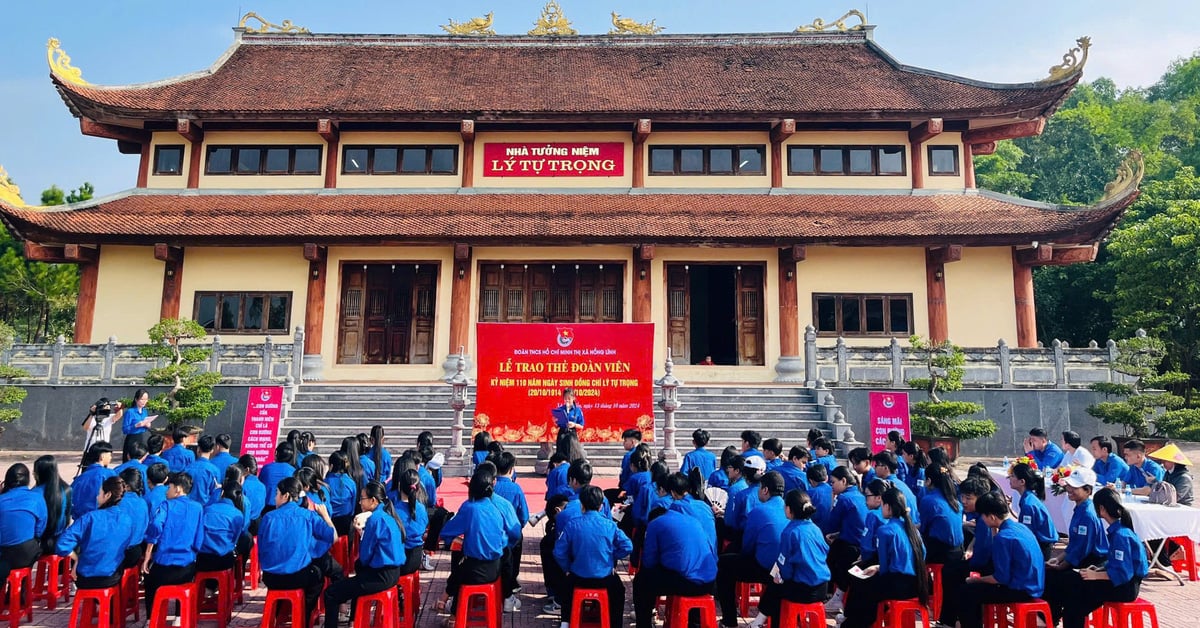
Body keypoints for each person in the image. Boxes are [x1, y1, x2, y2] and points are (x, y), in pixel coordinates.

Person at [1059, 487, 1149, 628]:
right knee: (1073, 588)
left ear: (1101, 508)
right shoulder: (1118, 530)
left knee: (1074, 606)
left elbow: (1123, 573)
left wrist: (1095, 575)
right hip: (1120, 582)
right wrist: (1101, 568)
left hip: (1125, 588)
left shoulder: (1121, 535)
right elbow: (1116, 562)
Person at [841, 487, 929, 628]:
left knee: (861, 585)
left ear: (887, 506)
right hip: (915, 584)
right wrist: (876, 567)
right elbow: (921, 556)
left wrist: (878, 568)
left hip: (897, 585)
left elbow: (885, 567)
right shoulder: (913, 530)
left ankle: (853, 622)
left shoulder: (885, 531)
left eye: (882, 505)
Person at [956, 492, 1045, 628]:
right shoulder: (1020, 527)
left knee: (967, 592)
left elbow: (1000, 578)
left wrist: (976, 580)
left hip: (1020, 590)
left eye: (983, 517)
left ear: (991, 516)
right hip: (1034, 584)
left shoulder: (1003, 537)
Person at [437, 462, 516, 616]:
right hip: (495, 567)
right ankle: (448, 605)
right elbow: (509, 536)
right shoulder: (499, 507)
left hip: (474, 570)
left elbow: (447, 532)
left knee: (459, 566)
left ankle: (452, 610)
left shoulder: (470, 508)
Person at [323, 482, 406, 628]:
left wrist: (362, 535)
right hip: (393, 573)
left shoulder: (375, 519)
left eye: (362, 498)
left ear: (373, 500)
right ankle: (354, 621)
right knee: (357, 578)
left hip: (380, 576)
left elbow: (365, 556)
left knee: (331, 593)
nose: (360, 502)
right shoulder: (388, 516)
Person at [633, 486, 718, 628]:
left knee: (642, 581)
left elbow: (648, 562)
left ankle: (644, 624)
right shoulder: (691, 520)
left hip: (689, 583)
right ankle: (694, 621)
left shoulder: (655, 524)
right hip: (711, 582)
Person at [553, 485, 632, 628]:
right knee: (619, 591)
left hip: (578, 577)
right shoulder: (610, 525)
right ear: (601, 506)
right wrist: (612, 557)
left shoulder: (572, 525)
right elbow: (628, 546)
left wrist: (567, 568)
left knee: (565, 587)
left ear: (582, 505)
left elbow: (558, 552)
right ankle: (615, 624)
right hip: (605, 579)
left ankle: (566, 621)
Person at [717, 471, 787, 627]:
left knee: (723, 565)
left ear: (765, 490)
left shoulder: (759, 511)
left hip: (765, 568)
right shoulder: (789, 508)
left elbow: (747, 546)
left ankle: (729, 620)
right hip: (785, 570)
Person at [259, 476, 337, 618]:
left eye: (277, 493)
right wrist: (325, 516)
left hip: (270, 578)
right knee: (317, 576)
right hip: (297, 577)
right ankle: (303, 616)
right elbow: (330, 535)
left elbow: (262, 549)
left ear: (286, 496)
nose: (275, 498)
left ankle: (277, 614)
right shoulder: (307, 516)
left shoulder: (268, 518)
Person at [1043, 467, 1108, 625]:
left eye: (1075, 487)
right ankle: (1050, 618)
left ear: (1087, 490)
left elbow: (1080, 551)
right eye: (1069, 485)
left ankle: (1051, 618)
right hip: (1081, 560)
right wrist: (1057, 560)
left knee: (1056, 583)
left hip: (1092, 565)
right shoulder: (1080, 508)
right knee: (1047, 576)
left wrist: (1061, 566)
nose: (1069, 490)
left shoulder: (1087, 514)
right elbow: (1074, 545)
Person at [757, 489, 829, 628]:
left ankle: (760, 621)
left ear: (789, 509)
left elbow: (786, 571)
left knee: (775, 587)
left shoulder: (790, 532)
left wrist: (780, 577)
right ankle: (761, 620)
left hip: (805, 591)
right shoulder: (815, 528)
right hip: (822, 588)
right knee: (778, 587)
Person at [142, 472, 205, 618]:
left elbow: (156, 525)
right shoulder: (198, 507)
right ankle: (179, 617)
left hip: (164, 565)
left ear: (177, 489)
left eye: (169, 487)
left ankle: (152, 618)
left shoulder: (166, 505)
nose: (166, 491)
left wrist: (148, 554)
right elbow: (199, 538)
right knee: (184, 586)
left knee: (150, 583)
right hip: (186, 566)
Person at [56, 475, 134, 591]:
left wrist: (76, 558)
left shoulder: (89, 518)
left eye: (99, 493)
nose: (97, 497)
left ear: (107, 495)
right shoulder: (127, 519)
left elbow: (62, 544)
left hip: (86, 578)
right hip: (112, 576)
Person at [822, 466, 866, 612]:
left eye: (833, 482)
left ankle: (834, 595)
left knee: (826, 556)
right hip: (862, 544)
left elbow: (831, 523)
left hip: (851, 546)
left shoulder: (844, 498)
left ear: (844, 481)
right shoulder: (860, 496)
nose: (831, 486)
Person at [491, 451, 529, 611]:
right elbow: (524, 516)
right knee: (516, 543)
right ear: (512, 469)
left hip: (490, 534)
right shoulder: (515, 488)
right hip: (510, 534)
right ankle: (511, 582)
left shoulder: (491, 485)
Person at [0, 464, 48, 582]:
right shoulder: (37, 498)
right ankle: (22, 587)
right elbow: (40, 529)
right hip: (26, 553)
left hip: (4, 554)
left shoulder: (2, 499)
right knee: (34, 545)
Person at [1008, 461, 1057, 558]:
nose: (1010, 478)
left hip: (1041, 546)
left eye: (1013, 476)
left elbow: (1027, 533)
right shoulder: (1029, 498)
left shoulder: (1028, 504)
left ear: (1022, 482)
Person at [391, 469, 429, 575]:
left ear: (399, 486)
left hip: (399, 562)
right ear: (418, 488)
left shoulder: (393, 511)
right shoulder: (421, 508)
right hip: (416, 559)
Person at [32, 454, 71, 555]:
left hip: (40, 543)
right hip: (60, 539)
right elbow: (68, 518)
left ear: (41, 473)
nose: (33, 473)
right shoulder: (67, 489)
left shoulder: (35, 493)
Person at [872, 451, 921, 525]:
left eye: (876, 465)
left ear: (886, 468)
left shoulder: (886, 487)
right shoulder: (901, 484)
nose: (874, 467)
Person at [115, 467, 150, 571]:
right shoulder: (143, 502)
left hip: (119, 552)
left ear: (127, 486)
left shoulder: (118, 502)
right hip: (136, 551)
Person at [73, 441, 116, 520]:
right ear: (102, 456)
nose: (111, 458)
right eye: (109, 455)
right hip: (102, 519)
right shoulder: (109, 474)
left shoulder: (80, 478)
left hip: (80, 520)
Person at [119, 388, 157, 460]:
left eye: (146, 399)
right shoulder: (130, 412)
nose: (144, 402)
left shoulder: (144, 411)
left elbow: (145, 423)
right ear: (136, 399)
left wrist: (147, 425)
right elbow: (125, 429)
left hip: (143, 437)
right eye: (142, 399)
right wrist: (136, 425)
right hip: (133, 438)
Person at [326, 452, 358, 535]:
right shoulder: (351, 483)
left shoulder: (326, 482)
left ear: (331, 465)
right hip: (346, 519)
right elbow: (353, 503)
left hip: (330, 519)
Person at [552, 387, 586, 462]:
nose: (567, 400)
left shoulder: (577, 410)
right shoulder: (560, 409)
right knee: (561, 455)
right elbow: (556, 424)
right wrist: (555, 421)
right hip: (562, 434)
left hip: (572, 435)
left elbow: (581, 425)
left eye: (569, 398)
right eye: (565, 398)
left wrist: (574, 424)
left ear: (573, 398)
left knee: (572, 455)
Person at [185, 435, 222, 504]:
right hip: (205, 507)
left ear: (198, 449)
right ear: (212, 450)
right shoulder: (215, 471)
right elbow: (215, 493)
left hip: (188, 505)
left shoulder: (188, 468)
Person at [805, 464, 832, 529]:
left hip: (816, 529)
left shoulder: (810, 493)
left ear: (810, 481)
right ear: (827, 478)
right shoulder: (834, 490)